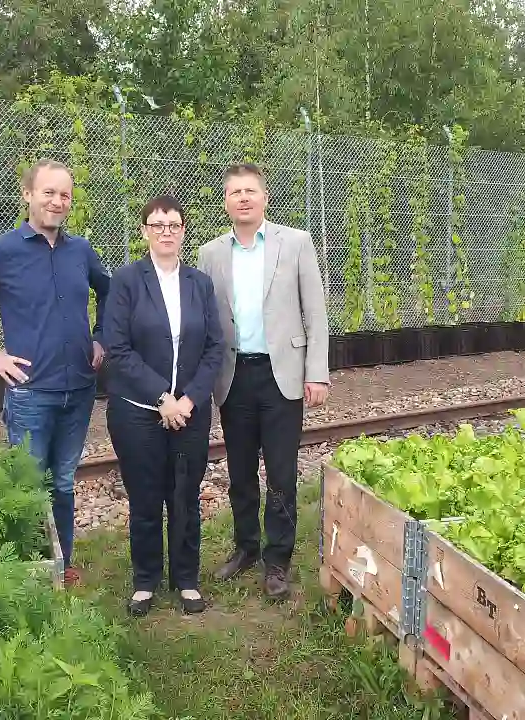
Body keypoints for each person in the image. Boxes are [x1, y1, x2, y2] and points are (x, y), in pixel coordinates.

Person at [0, 157, 109, 589]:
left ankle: (63, 563)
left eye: (64, 194)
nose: (57, 201)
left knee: (64, 482)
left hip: (79, 390)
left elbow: (109, 292)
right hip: (31, 393)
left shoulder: (80, 251)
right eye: (48, 192)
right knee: (28, 486)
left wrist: (101, 337)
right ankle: (34, 570)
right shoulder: (1, 252)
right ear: (28, 194)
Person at [196, 162, 330, 601]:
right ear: (225, 201)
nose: (243, 198)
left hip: (282, 375)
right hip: (234, 377)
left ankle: (278, 560)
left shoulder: (295, 243)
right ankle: (246, 547)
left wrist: (317, 373)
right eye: (234, 192)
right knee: (239, 472)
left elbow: (316, 313)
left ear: (264, 197)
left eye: (250, 190)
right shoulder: (210, 254)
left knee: (282, 473)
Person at [103, 194, 225, 617]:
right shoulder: (126, 282)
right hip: (138, 409)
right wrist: (162, 398)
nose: (166, 232)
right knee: (145, 496)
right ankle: (145, 580)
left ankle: (187, 579)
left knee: (185, 496)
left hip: (189, 411)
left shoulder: (199, 283)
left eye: (173, 224)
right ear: (145, 232)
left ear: (183, 231)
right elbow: (117, 348)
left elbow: (214, 347)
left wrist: (188, 398)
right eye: (157, 225)